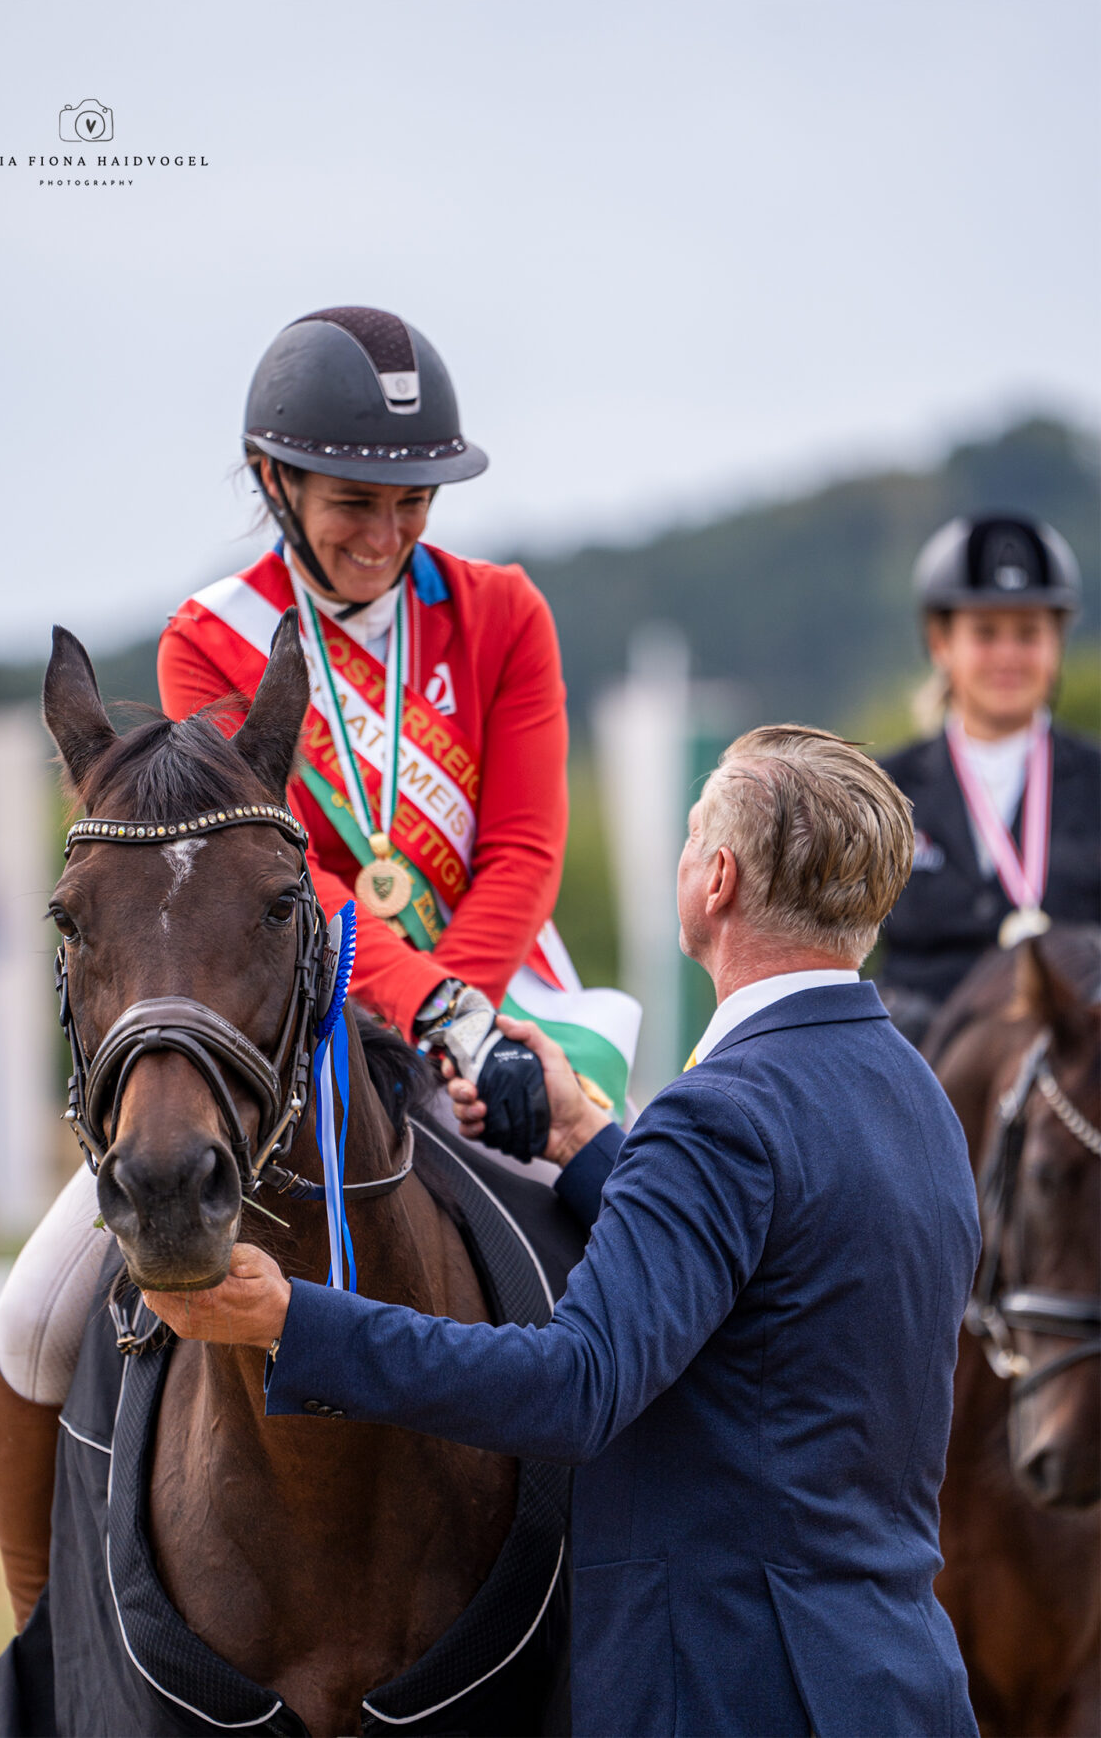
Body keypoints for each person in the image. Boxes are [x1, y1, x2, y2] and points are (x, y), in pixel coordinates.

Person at [0, 304, 636, 1632]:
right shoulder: (210, 640)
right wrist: (422, 1010)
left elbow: (521, 843)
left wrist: (470, 1018)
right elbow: (288, 884)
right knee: (35, 1317)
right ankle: (52, 1653)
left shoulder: (503, 615)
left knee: (657, 1253)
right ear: (275, 481)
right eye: (355, 502)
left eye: (413, 502)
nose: (388, 534)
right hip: (290, 1012)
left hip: (514, 998)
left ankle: (647, 1613)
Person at [148, 725, 982, 1738]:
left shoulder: (716, 1116)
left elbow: (574, 1387)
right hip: (897, 1685)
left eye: (688, 837)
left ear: (713, 879)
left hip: (728, 1691)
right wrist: (589, 1141)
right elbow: (767, 1273)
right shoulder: (913, 1095)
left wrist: (294, 1322)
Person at [878, 513, 1100, 1044]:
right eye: (985, 633)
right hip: (918, 1072)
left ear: (1057, 643)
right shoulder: (880, 790)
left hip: (1069, 1083)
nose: (1007, 655)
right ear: (940, 642)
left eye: (1028, 634)